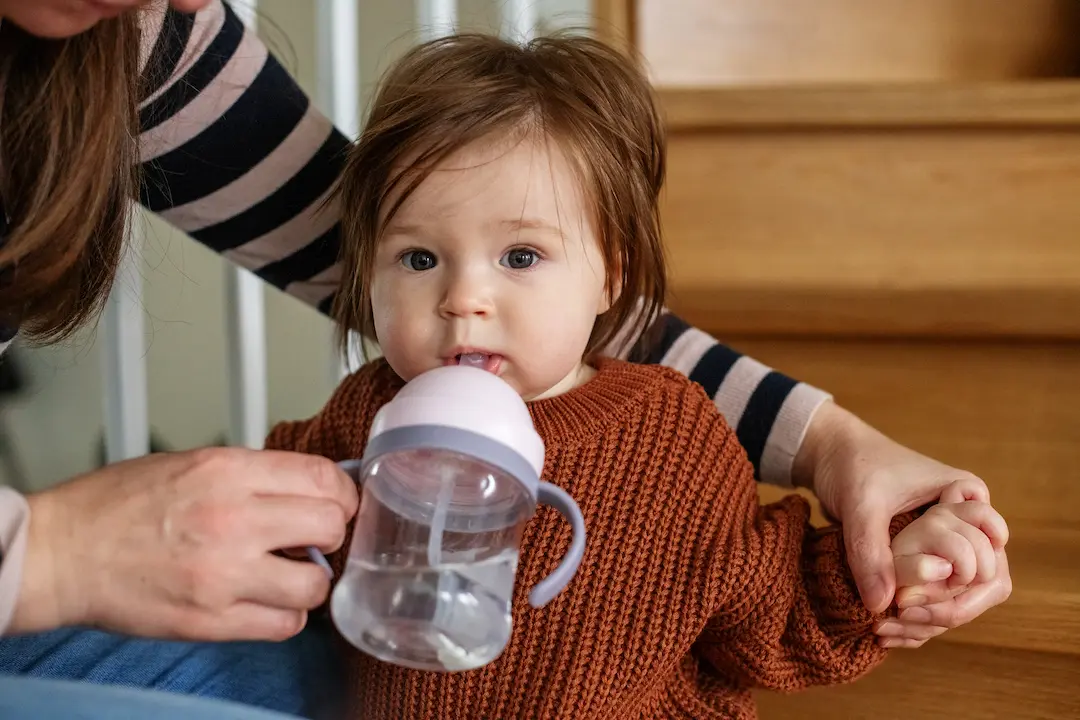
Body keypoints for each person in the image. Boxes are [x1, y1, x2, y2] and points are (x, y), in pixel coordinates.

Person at [0, 0, 1010, 716]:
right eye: (419, 258)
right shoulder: (361, 414)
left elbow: (761, 601)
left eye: (521, 255)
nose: (464, 298)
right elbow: (286, 551)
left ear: (612, 278)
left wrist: (874, 549)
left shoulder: (671, 435)